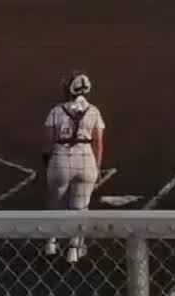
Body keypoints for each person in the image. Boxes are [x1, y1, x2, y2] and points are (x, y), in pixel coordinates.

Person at [43, 72, 107, 264]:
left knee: (55, 204)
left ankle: (51, 244)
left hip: (61, 158)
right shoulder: (94, 111)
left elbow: (48, 141)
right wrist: (97, 167)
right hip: (86, 159)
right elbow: (98, 143)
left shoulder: (56, 111)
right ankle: (74, 250)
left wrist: (49, 163)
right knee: (80, 207)